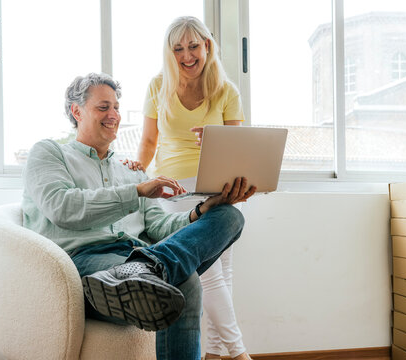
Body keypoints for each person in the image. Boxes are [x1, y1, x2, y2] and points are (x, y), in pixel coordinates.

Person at [21, 72, 256, 360]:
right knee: (187, 281)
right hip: (85, 267)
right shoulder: (50, 153)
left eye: (117, 107)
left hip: (135, 259)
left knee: (229, 216)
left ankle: (149, 267)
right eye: (103, 107)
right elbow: (62, 207)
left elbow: (160, 227)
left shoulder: (130, 170)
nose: (114, 115)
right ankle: (149, 268)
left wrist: (202, 210)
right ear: (76, 111)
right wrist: (136, 191)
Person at [128, 16, 250, 360]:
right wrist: (139, 170)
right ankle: (240, 354)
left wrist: (215, 140)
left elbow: (238, 147)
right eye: (178, 48)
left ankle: (214, 355)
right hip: (174, 191)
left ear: (206, 46)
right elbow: (149, 140)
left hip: (219, 189)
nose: (186, 55)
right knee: (208, 276)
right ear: (170, 52)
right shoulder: (157, 85)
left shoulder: (226, 90)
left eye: (193, 46)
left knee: (222, 274)